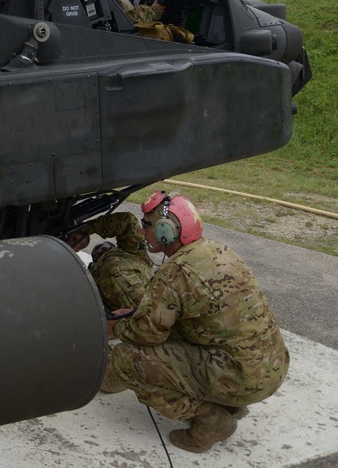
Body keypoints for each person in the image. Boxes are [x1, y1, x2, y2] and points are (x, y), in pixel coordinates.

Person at [102, 190, 290, 453]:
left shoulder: (176, 271)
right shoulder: (217, 250)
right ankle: (229, 404)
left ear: (166, 231)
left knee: (126, 359)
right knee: (179, 334)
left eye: (147, 225)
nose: (143, 232)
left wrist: (116, 326)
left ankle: (211, 421)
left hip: (240, 378)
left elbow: (147, 335)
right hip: (272, 369)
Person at [68, 212, 154, 311]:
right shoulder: (92, 277)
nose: (97, 251)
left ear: (113, 247)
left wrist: (85, 229)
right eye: (94, 253)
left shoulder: (134, 253)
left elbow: (127, 221)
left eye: (100, 247)